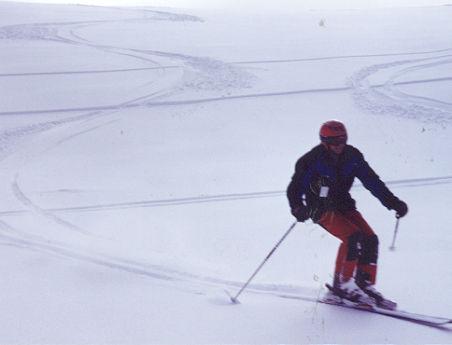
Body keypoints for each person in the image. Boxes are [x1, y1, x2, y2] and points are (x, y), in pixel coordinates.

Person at [287, 120, 408, 308]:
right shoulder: (311, 160)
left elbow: (372, 181)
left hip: (343, 204)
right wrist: (297, 207)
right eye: (334, 142)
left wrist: (392, 202)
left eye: (342, 140)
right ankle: (341, 286)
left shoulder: (352, 155)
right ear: (324, 142)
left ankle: (363, 284)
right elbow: (294, 188)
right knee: (352, 236)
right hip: (319, 207)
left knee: (370, 238)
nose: (339, 146)